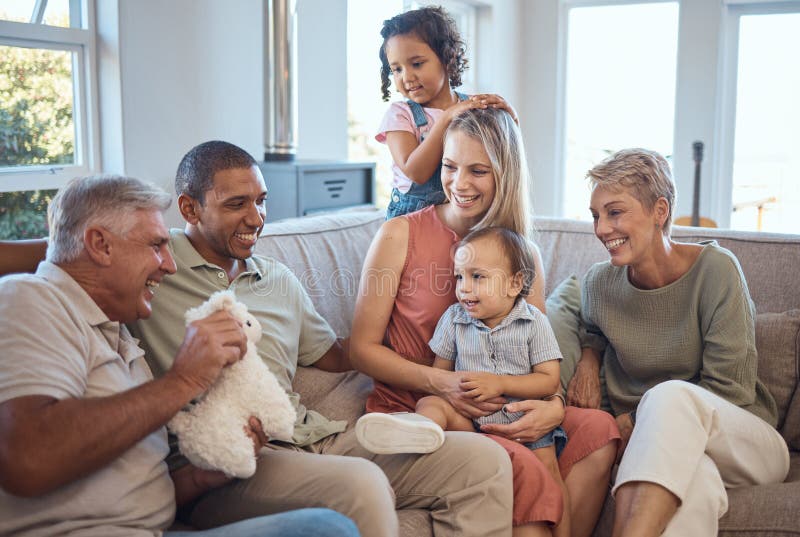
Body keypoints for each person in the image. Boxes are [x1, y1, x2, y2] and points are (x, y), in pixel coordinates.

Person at [128, 140, 516, 537]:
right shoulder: (156, 269)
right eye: (236, 204)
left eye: (261, 201)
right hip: (229, 464)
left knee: (483, 462)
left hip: (312, 438)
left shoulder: (277, 277)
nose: (256, 218)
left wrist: (416, 331)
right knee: (361, 484)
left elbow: (334, 354)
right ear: (189, 208)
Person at [0, 175, 359, 537]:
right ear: (100, 245)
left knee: (326, 527)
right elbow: (28, 459)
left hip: (159, 527)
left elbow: (137, 482)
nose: (170, 265)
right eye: (156, 245)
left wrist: (202, 477)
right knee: (325, 530)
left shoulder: (118, 334)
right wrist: (185, 379)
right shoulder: (29, 299)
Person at [350, 108, 620, 537]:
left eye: (478, 170)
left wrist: (550, 409)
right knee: (526, 467)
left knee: (601, 430)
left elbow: (538, 354)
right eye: (450, 166)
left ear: (504, 175)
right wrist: (443, 385)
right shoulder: (400, 235)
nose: (459, 183)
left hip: (502, 402)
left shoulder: (522, 255)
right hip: (422, 408)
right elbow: (360, 349)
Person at [566, 148, 791, 537]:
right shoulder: (598, 285)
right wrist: (588, 356)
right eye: (595, 216)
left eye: (615, 212)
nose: (601, 229)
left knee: (668, 396)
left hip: (746, 444)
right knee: (696, 488)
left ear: (660, 211)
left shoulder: (716, 271)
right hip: (664, 453)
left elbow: (731, 391)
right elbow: (593, 330)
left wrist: (635, 420)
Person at [357, 226, 571, 537]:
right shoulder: (454, 319)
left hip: (523, 420)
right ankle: (416, 432)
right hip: (472, 420)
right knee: (430, 402)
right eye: (460, 277)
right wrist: (450, 392)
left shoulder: (533, 322)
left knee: (549, 475)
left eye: (477, 277)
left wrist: (501, 384)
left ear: (515, 284)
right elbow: (441, 376)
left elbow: (549, 381)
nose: (464, 289)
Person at [377, 6, 518, 219]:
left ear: (446, 57)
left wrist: (510, 118)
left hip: (462, 213)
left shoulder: (470, 107)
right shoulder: (400, 115)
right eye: (396, 69)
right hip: (413, 218)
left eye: (416, 64)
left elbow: (503, 158)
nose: (406, 77)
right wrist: (447, 118)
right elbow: (416, 173)